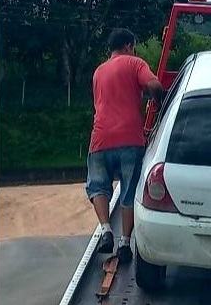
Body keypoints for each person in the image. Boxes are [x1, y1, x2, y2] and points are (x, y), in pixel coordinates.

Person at [85, 28, 163, 263]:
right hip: (130, 139)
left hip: (100, 138)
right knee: (128, 191)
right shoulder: (135, 63)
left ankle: (105, 229)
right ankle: (125, 244)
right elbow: (155, 85)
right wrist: (156, 102)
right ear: (129, 45)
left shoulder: (98, 71)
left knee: (98, 186)